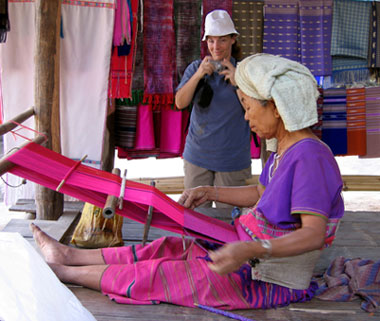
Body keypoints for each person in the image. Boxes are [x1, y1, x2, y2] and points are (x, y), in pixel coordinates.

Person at [31, 53, 344, 310]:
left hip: (268, 277)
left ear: (275, 108)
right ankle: (70, 256)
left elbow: (313, 235)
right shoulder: (283, 149)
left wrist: (248, 249)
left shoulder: (311, 158)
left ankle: (63, 273)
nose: (246, 117)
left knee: (165, 274)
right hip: (248, 252)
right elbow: (263, 193)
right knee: (168, 246)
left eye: (248, 108)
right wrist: (209, 191)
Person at [175, 9, 252, 208]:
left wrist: (238, 81)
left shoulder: (245, 71)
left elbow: (255, 111)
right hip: (197, 157)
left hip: (233, 161)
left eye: (222, 40)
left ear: (233, 40)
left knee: (230, 223)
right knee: (196, 221)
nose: (216, 46)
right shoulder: (195, 68)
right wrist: (199, 74)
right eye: (211, 41)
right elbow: (180, 103)